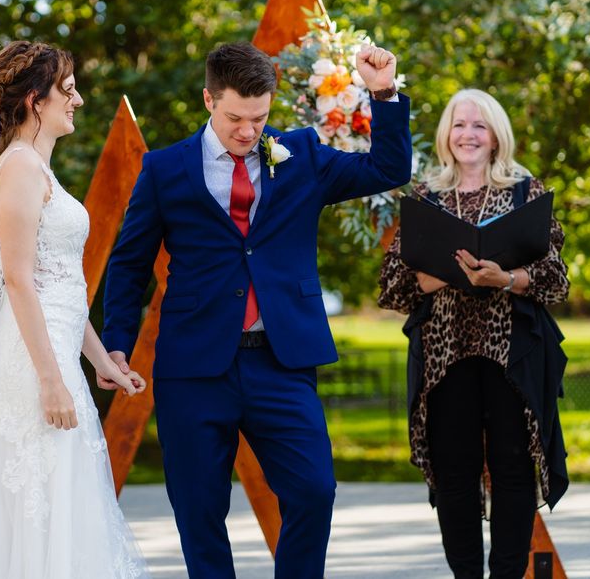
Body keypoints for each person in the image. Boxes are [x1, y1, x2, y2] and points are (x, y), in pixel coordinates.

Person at [101, 41, 412, 578]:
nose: (248, 131)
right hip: (194, 368)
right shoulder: (165, 169)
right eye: (235, 118)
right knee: (199, 513)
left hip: (282, 361)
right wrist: (116, 346)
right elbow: (129, 265)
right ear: (207, 100)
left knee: (315, 491)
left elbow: (389, 168)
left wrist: (382, 92)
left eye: (259, 117)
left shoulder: (304, 155)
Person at [0, 40, 150, 579]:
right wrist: (51, 381)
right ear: (36, 100)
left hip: (54, 361)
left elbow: (57, 286)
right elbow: (17, 281)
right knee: (42, 515)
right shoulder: (17, 168)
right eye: (69, 88)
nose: (77, 99)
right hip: (31, 370)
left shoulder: (37, 168)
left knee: (66, 508)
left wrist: (102, 361)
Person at [378, 88, 570, 578]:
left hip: (512, 352)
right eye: (459, 124)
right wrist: (447, 274)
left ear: (495, 135)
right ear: (446, 134)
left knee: (512, 469)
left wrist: (503, 278)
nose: (468, 134)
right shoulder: (426, 199)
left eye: (479, 125)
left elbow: (556, 281)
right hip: (446, 357)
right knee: (455, 474)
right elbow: (395, 287)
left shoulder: (527, 193)